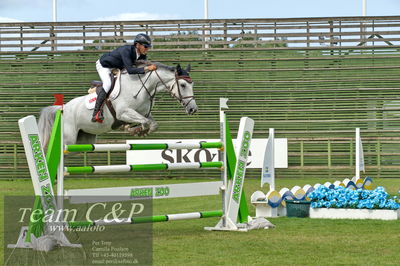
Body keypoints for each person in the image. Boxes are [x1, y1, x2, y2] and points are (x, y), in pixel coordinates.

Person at [92, 33, 157, 122]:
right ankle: (96, 113)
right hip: (104, 65)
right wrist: (147, 68)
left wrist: (149, 65)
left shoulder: (142, 54)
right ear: (137, 45)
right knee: (107, 84)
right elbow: (130, 70)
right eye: (145, 47)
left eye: (148, 47)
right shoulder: (126, 50)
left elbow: (140, 66)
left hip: (118, 66)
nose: (147, 49)